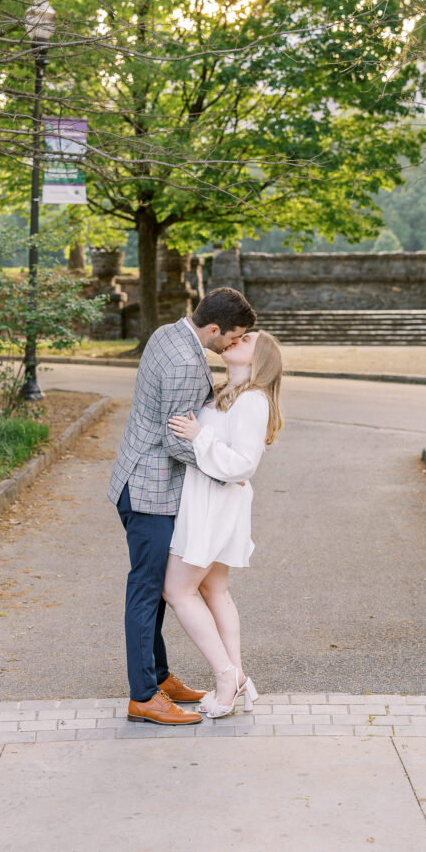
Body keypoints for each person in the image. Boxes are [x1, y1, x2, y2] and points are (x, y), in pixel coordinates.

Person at [108, 287, 257, 726]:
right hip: (150, 492)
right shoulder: (183, 363)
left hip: (137, 480)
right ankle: (144, 696)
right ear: (214, 329)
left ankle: (157, 675)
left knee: (154, 589)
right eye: (233, 337)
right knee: (146, 590)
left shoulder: (168, 333)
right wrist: (226, 471)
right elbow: (176, 438)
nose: (233, 344)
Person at [163, 329, 283, 719]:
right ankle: (238, 676)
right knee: (215, 590)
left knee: (177, 591)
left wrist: (200, 437)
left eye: (247, 340)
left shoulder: (251, 400)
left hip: (214, 505)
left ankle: (225, 675)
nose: (236, 339)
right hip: (207, 499)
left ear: (258, 359)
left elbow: (244, 464)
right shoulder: (223, 393)